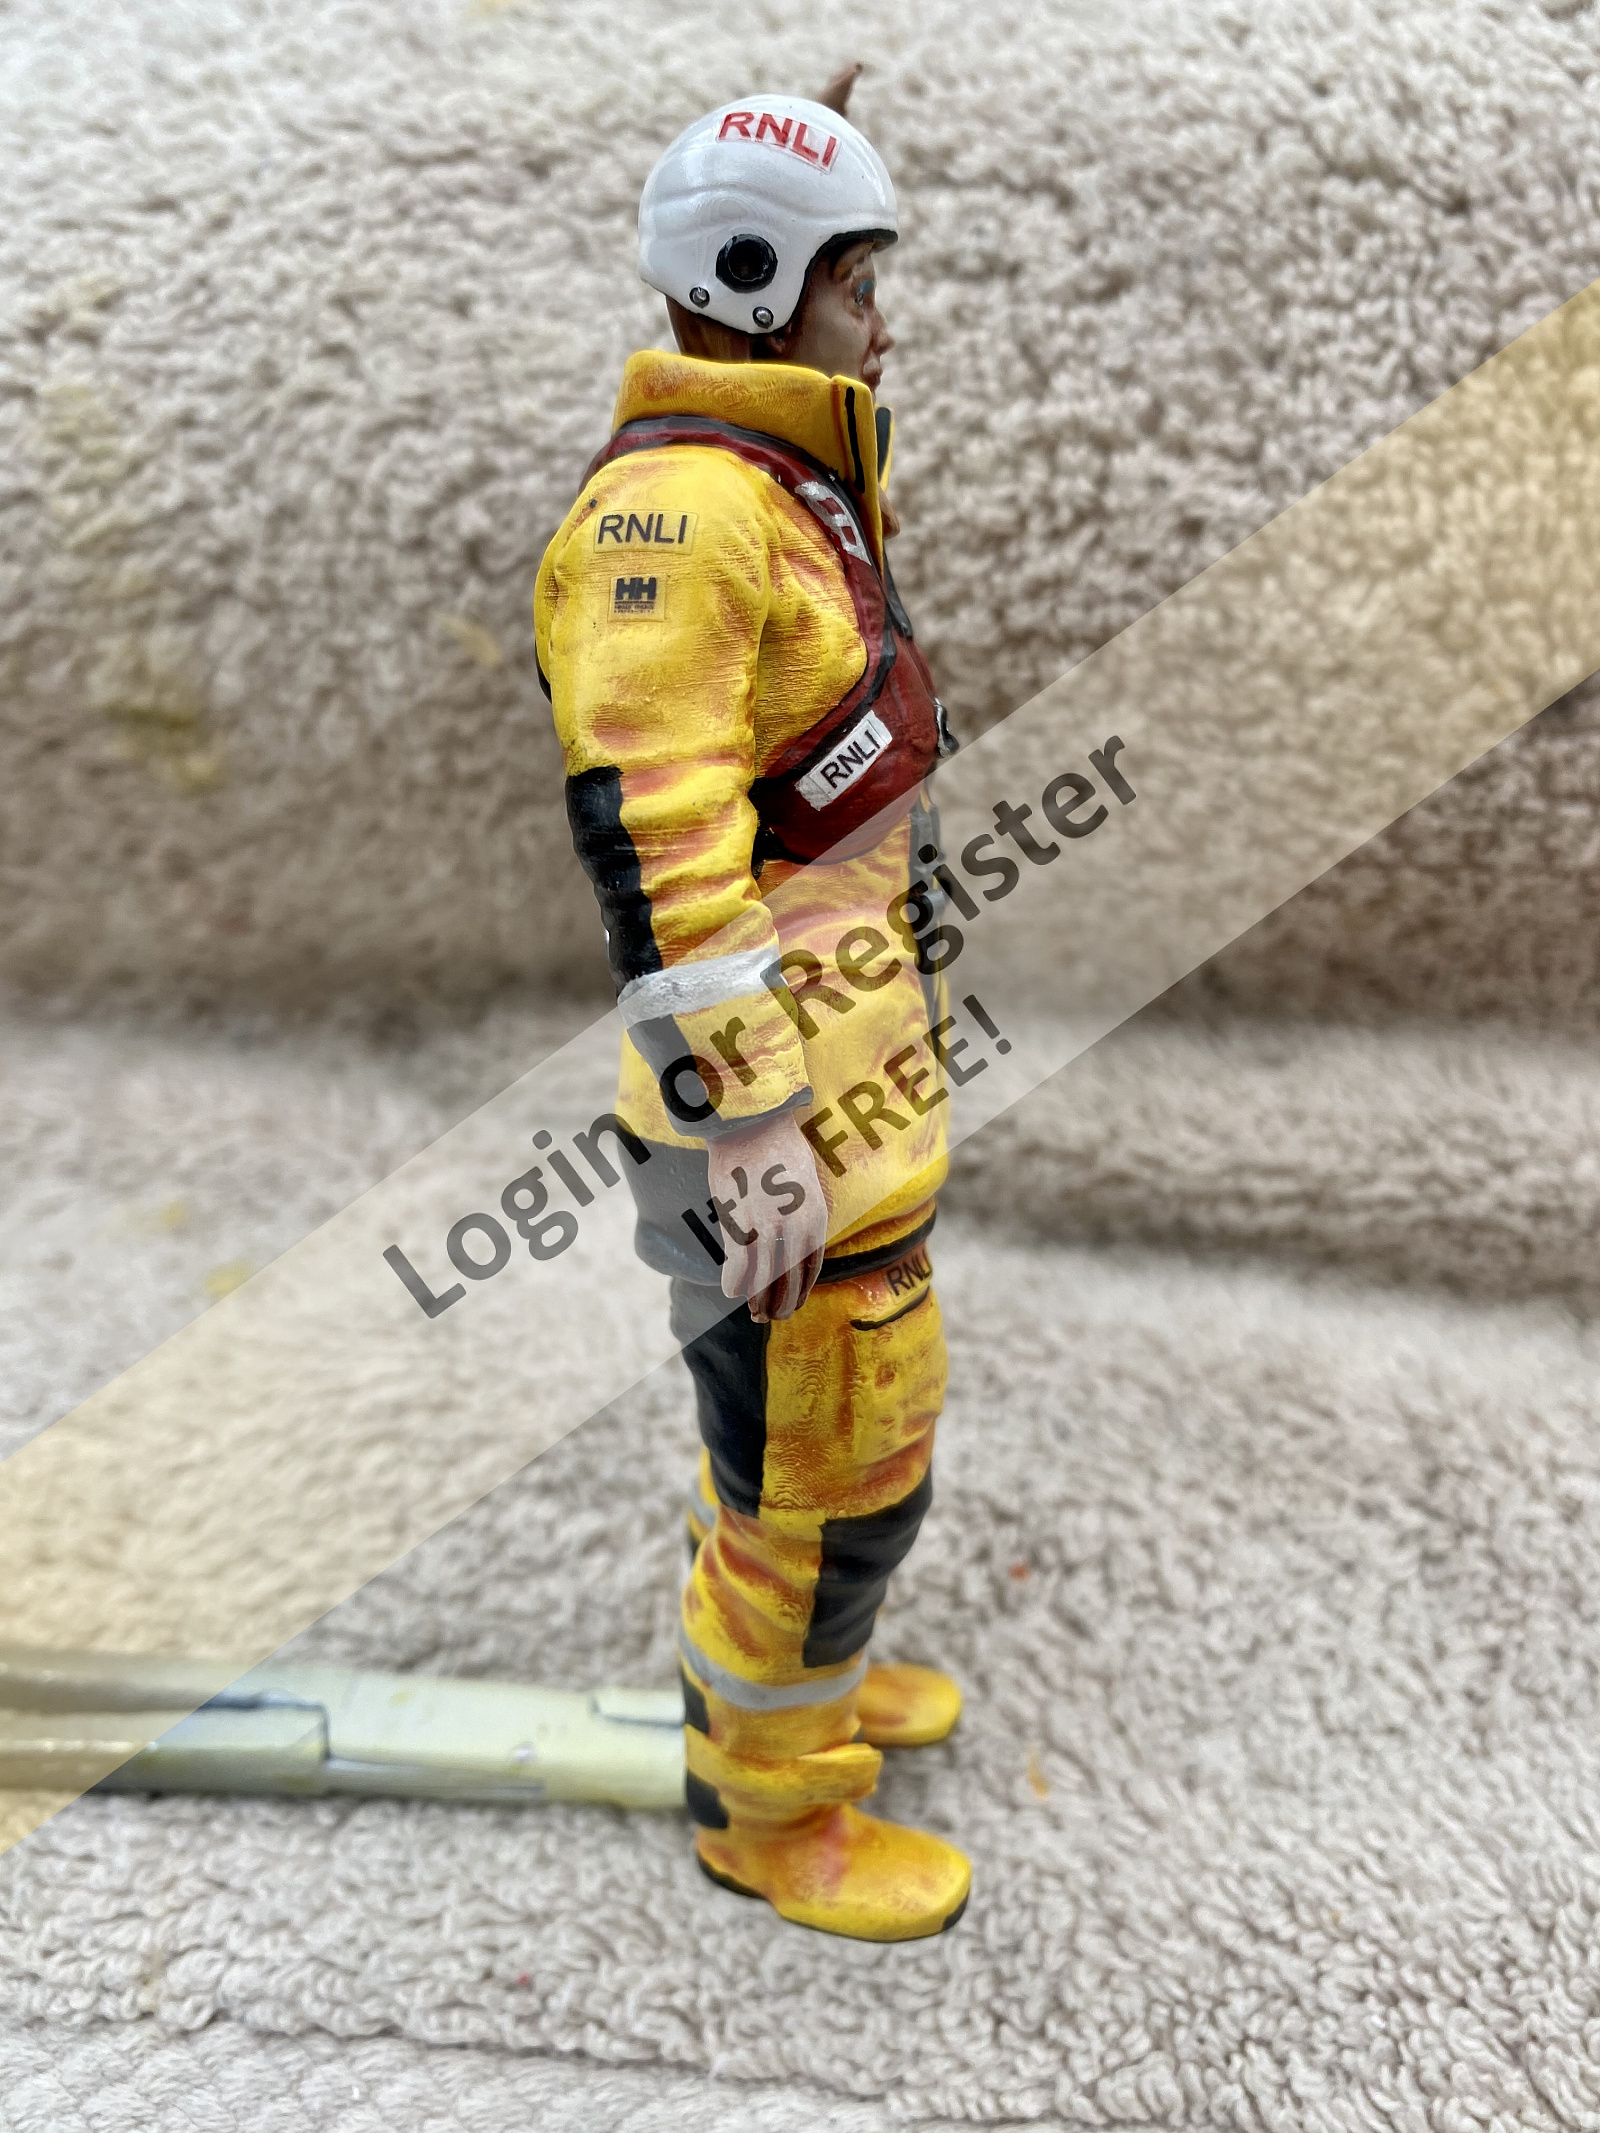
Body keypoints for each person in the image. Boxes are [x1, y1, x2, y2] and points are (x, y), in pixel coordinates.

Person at [533, 74, 969, 1941]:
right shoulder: (686, 518)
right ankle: (772, 1801)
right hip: (779, 1134)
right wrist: (756, 1117)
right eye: (857, 283)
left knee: (847, 1464)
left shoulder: (777, 487)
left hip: (847, 1101)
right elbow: (659, 840)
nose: (882, 321)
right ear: (758, 283)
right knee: (809, 1490)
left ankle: (821, 1661)